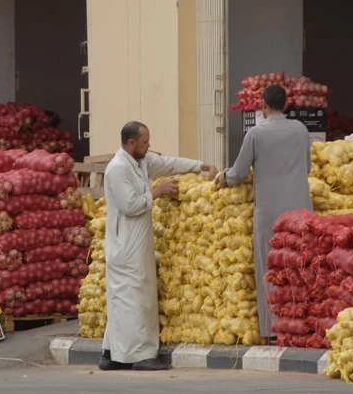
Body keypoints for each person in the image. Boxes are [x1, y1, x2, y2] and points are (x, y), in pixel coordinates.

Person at [100, 121, 218, 371]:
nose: (149, 146)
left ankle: (111, 354)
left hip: (138, 240)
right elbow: (130, 206)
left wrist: (200, 166)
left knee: (125, 297)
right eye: (145, 142)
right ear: (131, 143)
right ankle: (141, 356)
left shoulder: (141, 161)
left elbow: (169, 164)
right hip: (126, 244)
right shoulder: (117, 168)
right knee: (134, 297)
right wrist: (158, 191)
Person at [215, 85, 313, 340]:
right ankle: (301, 326)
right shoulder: (301, 130)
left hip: (270, 212)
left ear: (263, 105)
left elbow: (238, 173)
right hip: (301, 211)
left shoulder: (256, 133)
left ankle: (272, 329)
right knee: (299, 269)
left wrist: (223, 178)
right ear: (286, 104)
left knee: (270, 269)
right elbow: (307, 167)